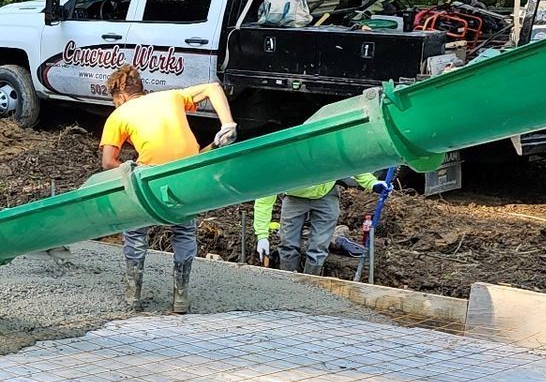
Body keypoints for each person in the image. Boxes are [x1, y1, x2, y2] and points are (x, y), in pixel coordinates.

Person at [98, 65, 238, 314]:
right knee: (184, 231)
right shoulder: (170, 96)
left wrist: (132, 172)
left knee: (135, 232)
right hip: (187, 174)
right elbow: (213, 87)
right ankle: (180, 298)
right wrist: (227, 124)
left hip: (151, 178)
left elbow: (108, 162)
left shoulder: (119, 115)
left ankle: (133, 296)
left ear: (119, 96)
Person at [252, 174, 390, 275]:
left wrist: (372, 183)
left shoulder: (326, 149)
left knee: (318, 247)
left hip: (326, 193)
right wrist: (262, 236)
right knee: (288, 243)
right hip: (294, 194)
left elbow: (350, 161)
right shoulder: (283, 164)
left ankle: (311, 285)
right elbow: (264, 200)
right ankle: (288, 283)